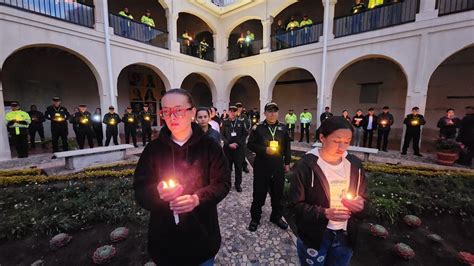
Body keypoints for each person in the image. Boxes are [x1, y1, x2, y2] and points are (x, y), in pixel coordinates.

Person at [133, 88, 230, 265]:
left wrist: (197, 198)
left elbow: (222, 183)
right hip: (165, 242)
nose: (172, 117)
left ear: (192, 112)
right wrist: (157, 193)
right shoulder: (153, 150)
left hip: (202, 237)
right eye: (166, 112)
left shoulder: (210, 147)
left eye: (178, 110)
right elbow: (139, 188)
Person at [290, 116, 367, 266]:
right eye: (337, 141)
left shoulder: (354, 165)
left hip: (345, 236)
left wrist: (361, 206)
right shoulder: (307, 165)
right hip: (316, 236)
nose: (342, 147)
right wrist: (324, 213)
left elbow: (365, 199)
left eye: (347, 142)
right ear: (322, 138)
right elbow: (295, 205)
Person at [247, 102, 291, 232]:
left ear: (278, 113)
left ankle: (276, 217)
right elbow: (250, 145)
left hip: (277, 166)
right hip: (262, 166)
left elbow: (287, 147)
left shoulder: (283, 128)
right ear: (265, 113)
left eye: (275, 111)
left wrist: (287, 163)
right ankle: (255, 218)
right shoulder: (258, 128)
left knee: (278, 194)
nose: (272, 114)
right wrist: (264, 149)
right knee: (259, 194)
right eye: (269, 111)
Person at [221, 106, 248, 192]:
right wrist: (228, 144)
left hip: (238, 149)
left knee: (238, 167)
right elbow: (222, 135)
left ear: (237, 112)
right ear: (228, 112)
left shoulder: (240, 122)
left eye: (234, 111)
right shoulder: (224, 122)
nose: (232, 113)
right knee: (227, 168)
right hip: (227, 149)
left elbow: (245, 134)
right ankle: (227, 184)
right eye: (231, 111)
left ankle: (238, 184)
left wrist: (237, 143)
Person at [236, 102, 251, 173]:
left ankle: (244, 166)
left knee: (242, 153)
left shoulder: (244, 116)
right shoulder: (233, 116)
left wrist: (246, 131)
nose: (239, 108)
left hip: (242, 138)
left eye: (240, 107)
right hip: (234, 137)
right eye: (237, 107)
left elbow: (248, 125)